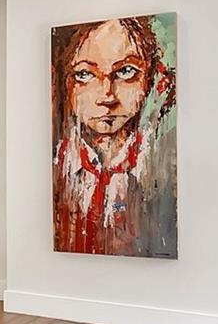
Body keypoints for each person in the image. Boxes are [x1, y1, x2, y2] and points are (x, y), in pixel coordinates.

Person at [52, 16, 177, 257]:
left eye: (126, 72)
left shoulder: (164, 169)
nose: (106, 96)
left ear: (151, 79)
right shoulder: (56, 163)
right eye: (84, 74)